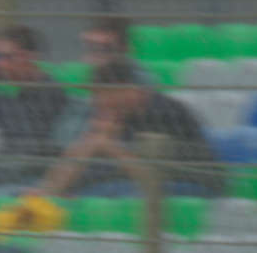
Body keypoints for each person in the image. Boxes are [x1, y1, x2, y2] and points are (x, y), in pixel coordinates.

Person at [29, 57, 222, 199]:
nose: (97, 101)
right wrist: (52, 189)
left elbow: (150, 179)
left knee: (107, 195)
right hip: (139, 182)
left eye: (103, 93)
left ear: (130, 91)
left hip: (193, 185)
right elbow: (86, 158)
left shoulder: (162, 112)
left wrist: (109, 146)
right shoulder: (119, 114)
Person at [0, 25, 84, 186]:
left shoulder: (49, 94)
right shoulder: (9, 96)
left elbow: (32, 150)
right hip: (9, 172)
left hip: (35, 177)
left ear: (27, 58)